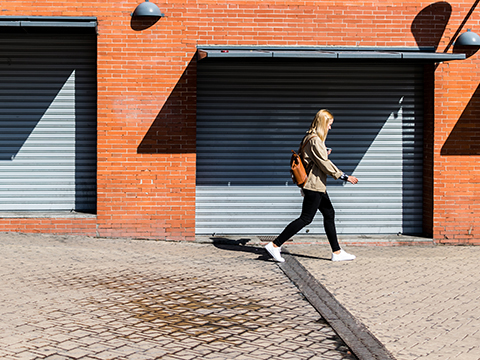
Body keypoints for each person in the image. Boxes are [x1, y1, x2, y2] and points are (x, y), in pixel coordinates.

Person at [265, 109, 359, 263]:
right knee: (306, 218)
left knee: (329, 214)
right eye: (329, 124)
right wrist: (344, 176)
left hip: (317, 185)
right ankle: (275, 245)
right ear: (323, 123)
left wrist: (323, 155)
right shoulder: (315, 140)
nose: (330, 128)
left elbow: (315, 160)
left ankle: (337, 252)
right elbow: (324, 164)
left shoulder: (309, 138)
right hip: (313, 186)